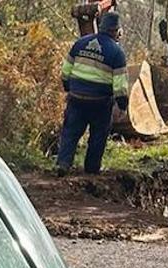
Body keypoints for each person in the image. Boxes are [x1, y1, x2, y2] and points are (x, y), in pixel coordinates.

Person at [56, 12, 130, 176]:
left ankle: (63, 163)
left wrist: (69, 88)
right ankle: (91, 168)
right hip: (100, 102)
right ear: (116, 31)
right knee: (98, 136)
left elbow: (65, 72)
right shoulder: (117, 53)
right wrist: (122, 105)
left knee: (70, 132)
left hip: (76, 98)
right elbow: (120, 85)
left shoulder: (80, 43)